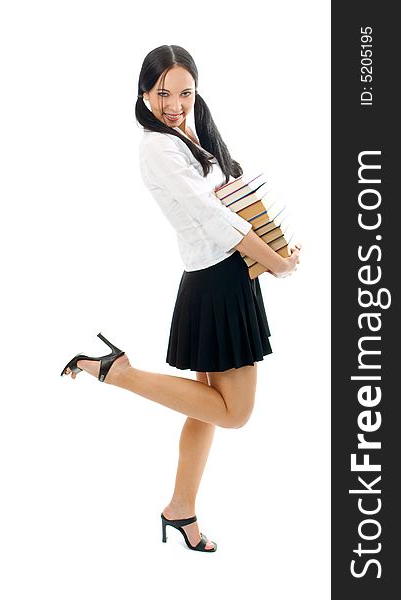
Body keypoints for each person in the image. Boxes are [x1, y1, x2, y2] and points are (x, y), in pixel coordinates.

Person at [61, 45, 301, 553]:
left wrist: (278, 245)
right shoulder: (158, 146)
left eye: (185, 92)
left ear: (196, 90)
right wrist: (275, 263)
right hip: (218, 281)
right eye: (162, 93)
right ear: (144, 92)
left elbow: (232, 200)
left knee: (206, 410)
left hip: (222, 273)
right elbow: (217, 222)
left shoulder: (189, 133)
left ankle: (181, 509)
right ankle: (115, 371)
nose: (174, 103)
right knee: (235, 414)